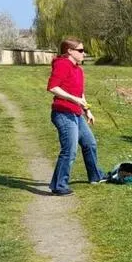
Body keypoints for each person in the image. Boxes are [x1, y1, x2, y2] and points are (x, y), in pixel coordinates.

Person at [46, 38, 105, 195]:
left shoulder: (78, 70)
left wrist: (87, 110)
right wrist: (74, 99)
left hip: (76, 113)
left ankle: (96, 176)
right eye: (80, 50)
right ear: (70, 51)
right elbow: (52, 87)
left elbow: (80, 93)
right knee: (69, 150)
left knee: (89, 143)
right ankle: (59, 185)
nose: (83, 53)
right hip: (63, 113)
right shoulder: (62, 64)